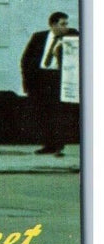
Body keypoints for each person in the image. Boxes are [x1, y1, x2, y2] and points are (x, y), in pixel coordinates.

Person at [20, 11, 78, 156]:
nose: (66, 27)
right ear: (53, 24)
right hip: (40, 78)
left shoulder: (71, 37)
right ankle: (48, 145)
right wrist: (27, 82)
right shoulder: (39, 37)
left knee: (58, 114)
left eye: (67, 24)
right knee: (42, 114)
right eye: (62, 24)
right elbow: (26, 59)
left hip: (57, 78)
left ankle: (58, 146)